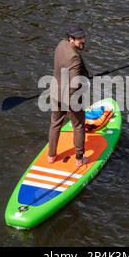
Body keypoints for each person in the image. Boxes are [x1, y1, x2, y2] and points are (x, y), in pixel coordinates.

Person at [48, 25, 90, 167]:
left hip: (55, 92)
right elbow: (74, 85)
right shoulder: (75, 58)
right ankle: (79, 158)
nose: (83, 40)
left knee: (55, 124)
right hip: (70, 97)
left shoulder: (60, 44)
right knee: (78, 125)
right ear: (71, 39)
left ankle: (51, 156)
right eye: (79, 38)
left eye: (83, 37)